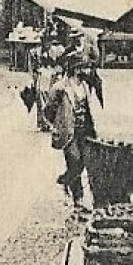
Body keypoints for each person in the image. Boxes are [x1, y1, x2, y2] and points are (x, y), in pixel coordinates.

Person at [46, 51, 99, 210]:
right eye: (84, 68)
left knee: (84, 161)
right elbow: (49, 109)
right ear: (76, 69)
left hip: (85, 130)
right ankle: (77, 196)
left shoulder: (84, 86)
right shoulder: (60, 87)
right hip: (69, 131)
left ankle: (69, 183)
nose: (88, 71)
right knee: (74, 160)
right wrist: (57, 124)